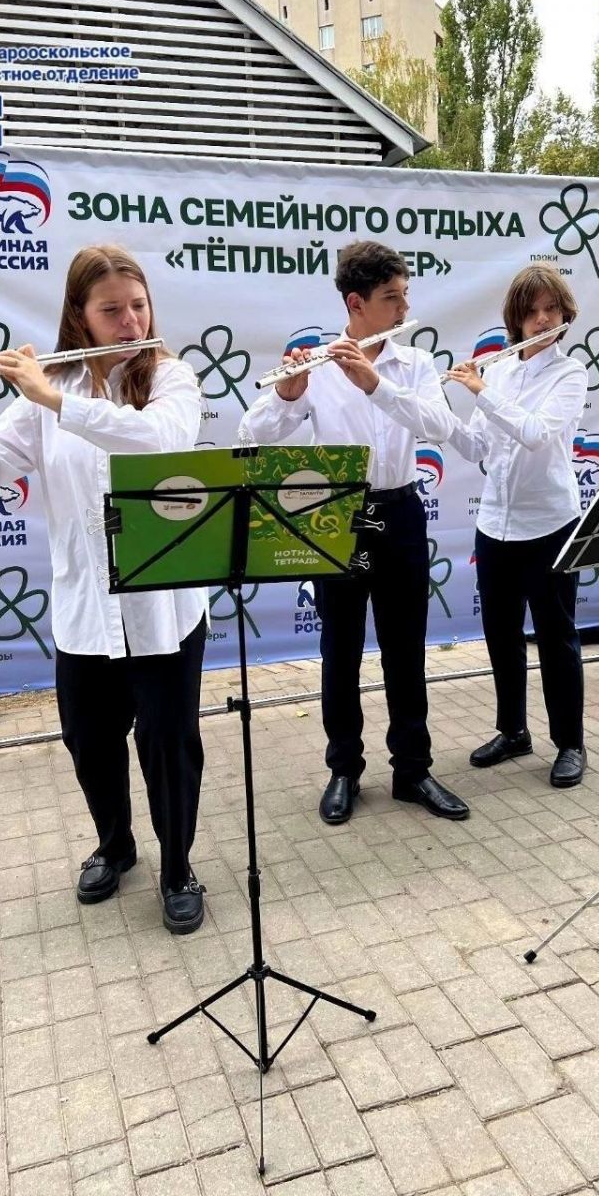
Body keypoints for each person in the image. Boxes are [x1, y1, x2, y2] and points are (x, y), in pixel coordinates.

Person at [0, 245, 210, 933]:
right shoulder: (55, 384)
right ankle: (116, 845)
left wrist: (53, 399)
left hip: (162, 607)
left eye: (138, 306)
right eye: (112, 310)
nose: (131, 322)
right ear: (79, 316)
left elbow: (156, 440)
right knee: (88, 740)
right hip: (85, 608)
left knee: (168, 744)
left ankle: (177, 867)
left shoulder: (171, 377)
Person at [240, 240, 468, 825]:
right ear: (355, 303)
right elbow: (252, 434)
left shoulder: (413, 364)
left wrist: (375, 384)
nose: (404, 307)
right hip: (337, 515)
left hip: (400, 510)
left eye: (405, 295)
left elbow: (440, 426)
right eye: (392, 297)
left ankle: (412, 769)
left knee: (405, 647)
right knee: (339, 650)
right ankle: (344, 768)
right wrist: (286, 394)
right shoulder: (317, 363)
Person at [445, 263, 588, 788]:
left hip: (549, 523)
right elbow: (477, 447)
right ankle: (513, 731)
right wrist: (435, 414)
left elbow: (535, 433)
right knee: (501, 635)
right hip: (496, 524)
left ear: (565, 315)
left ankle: (570, 742)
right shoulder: (501, 372)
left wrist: (481, 391)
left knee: (556, 638)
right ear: (517, 319)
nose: (542, 320)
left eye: (551, 310)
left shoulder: (570, 374)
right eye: (531, 312)